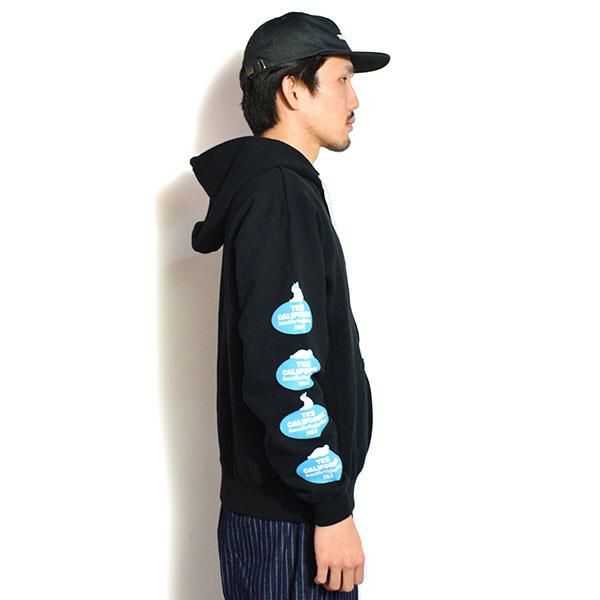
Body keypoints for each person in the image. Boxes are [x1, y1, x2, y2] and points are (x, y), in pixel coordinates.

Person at [189, 11, 390, 598]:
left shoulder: (274, 188)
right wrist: (330, 508)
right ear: (293, 90)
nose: (355, 99)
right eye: (342, 79)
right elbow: (285, 365)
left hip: (281, 513)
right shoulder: (279, 193)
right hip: (293, 522)